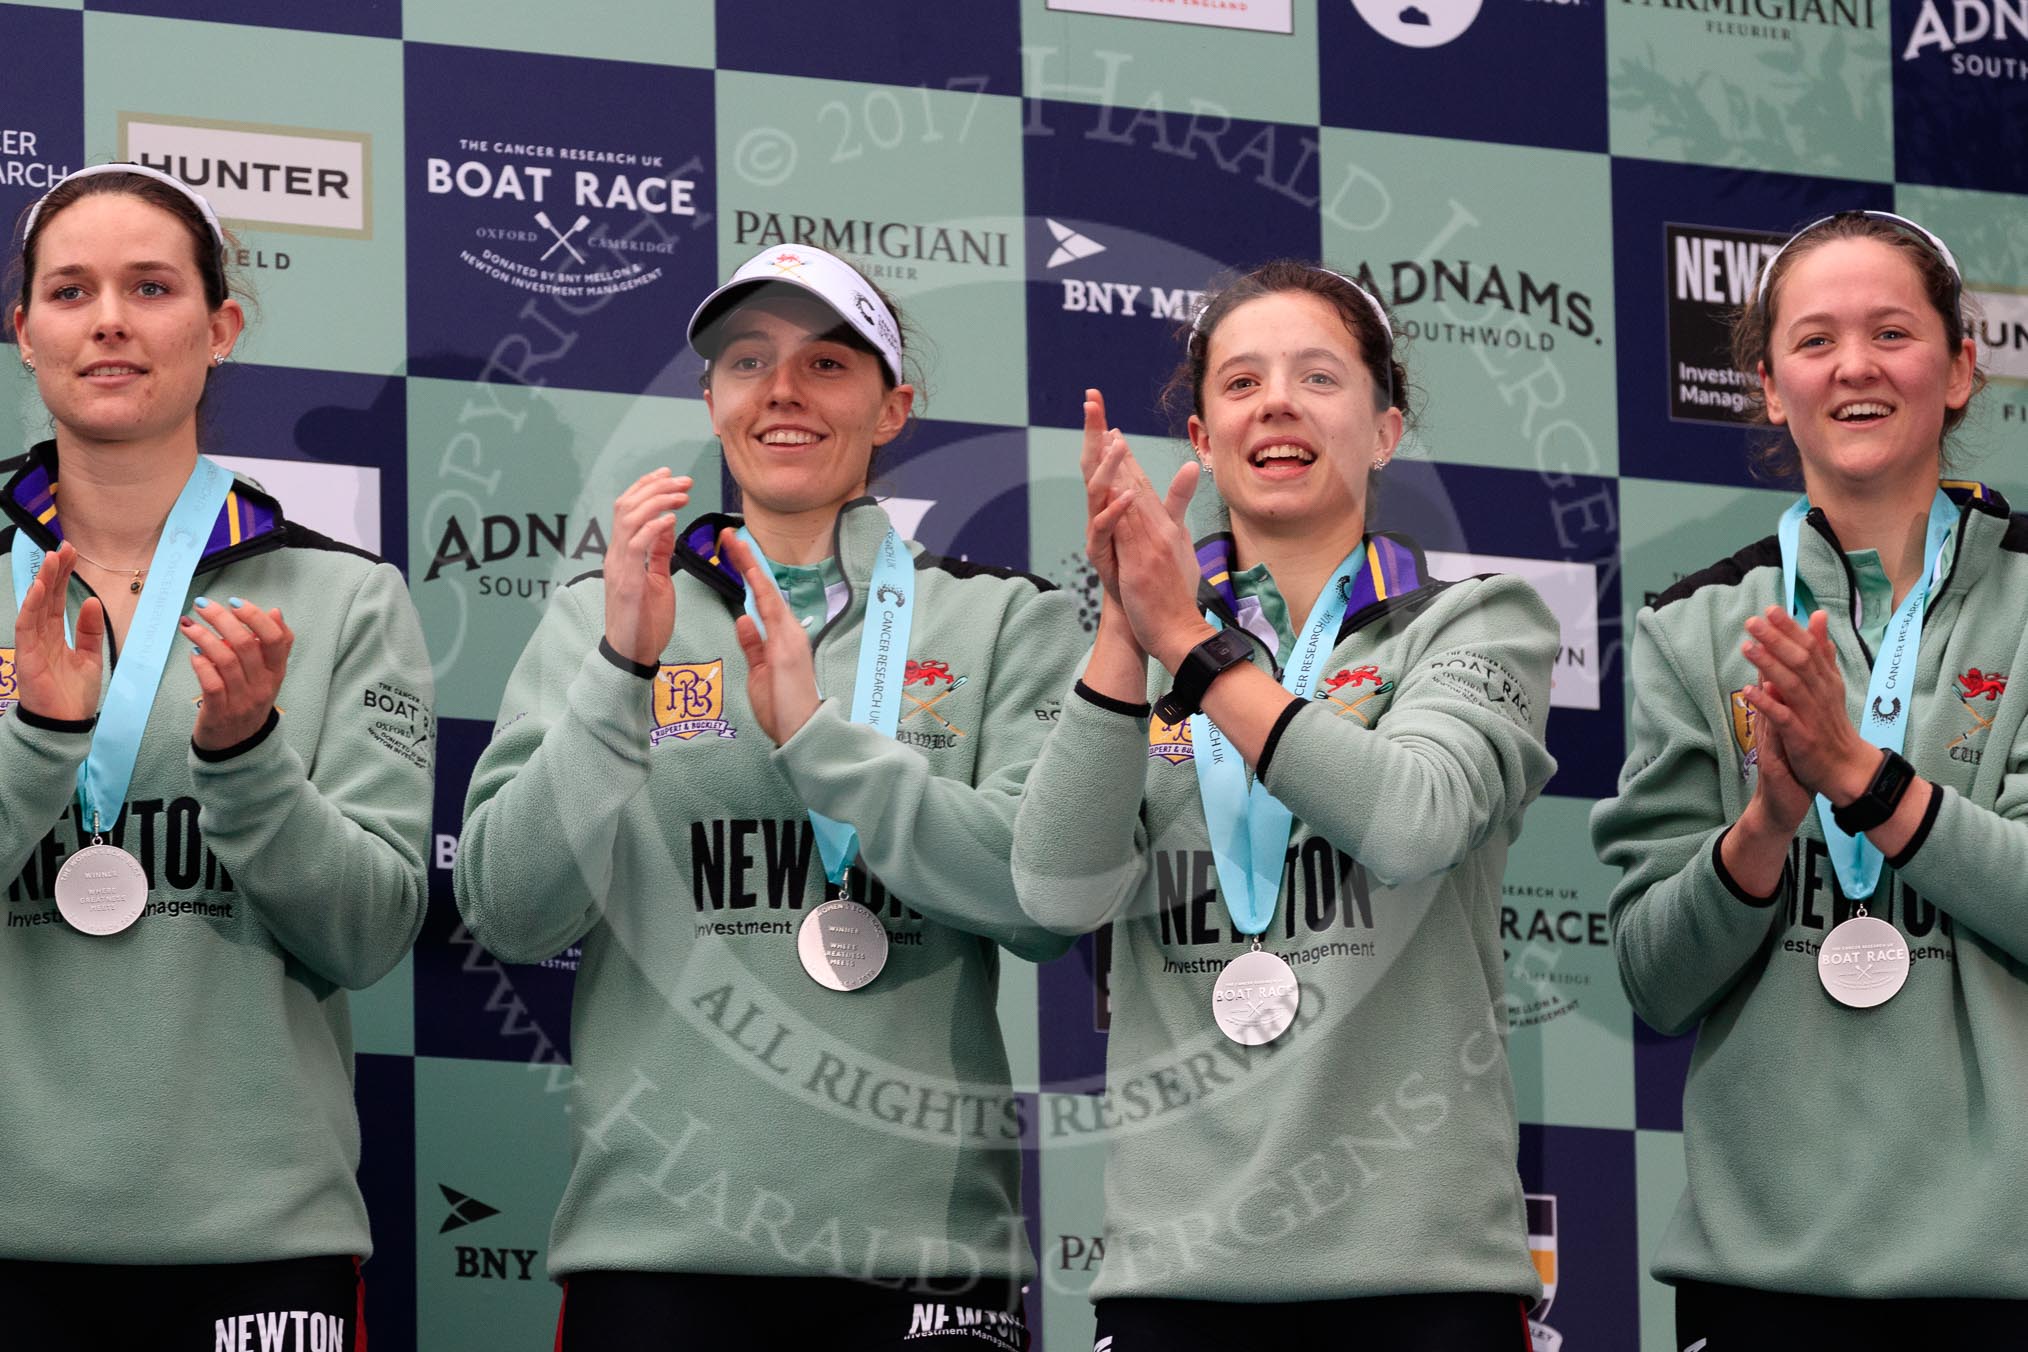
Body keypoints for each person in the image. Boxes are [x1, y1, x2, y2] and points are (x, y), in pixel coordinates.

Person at [454, 244, 1084, 1349]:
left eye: (828, 363)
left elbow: (1042, 893)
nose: (782, 390)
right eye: (748, 361)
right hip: (658, 1255)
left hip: (928, 1257)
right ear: (711, 398)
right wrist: (615, 673)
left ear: (893, 407)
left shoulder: (1001, 621)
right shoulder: (603, 616)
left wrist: (817, 739)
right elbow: (509, 907)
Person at [1011, 260, 1559, 1349]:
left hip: (1422, 1271)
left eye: (1319, 376)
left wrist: (1193, 648)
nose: (1277, 402)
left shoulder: (1475, 619)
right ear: (1204, 438)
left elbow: (1410, 821)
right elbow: (1051, 891)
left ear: (1386, 426)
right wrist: (1127, 628)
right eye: (1242, 381)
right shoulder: (1126, 650)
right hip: (1177, 1278)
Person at [0, 165, 432, 1346]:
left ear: (219, 326)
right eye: (70, 289)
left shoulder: (347, 598)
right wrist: (41, 741)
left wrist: (247, 756)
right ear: (22, 328)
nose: (110, 321)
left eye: (151, 286)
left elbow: (369, 931)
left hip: (258, 1241)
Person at [1592, 210, 2028, 1348]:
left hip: (2003, 1275)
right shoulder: (1694, 623)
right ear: (1770, 389)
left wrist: (1860, 778)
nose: (1855, 366)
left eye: (1893, 331)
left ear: (1962, 367)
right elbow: (1653, 974)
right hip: (1757, 1278)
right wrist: (1766, 828)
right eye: (1816, 340)